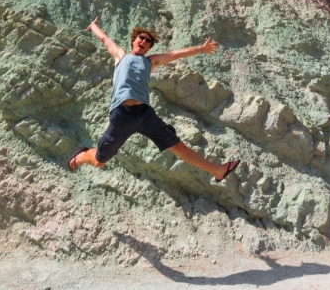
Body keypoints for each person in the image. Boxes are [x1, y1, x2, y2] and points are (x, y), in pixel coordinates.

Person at [69, 16, 241, 182]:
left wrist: (201, 49)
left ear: (149, 47)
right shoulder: (121, 55)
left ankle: (217, 170)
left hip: (144, 114)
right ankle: (82, 156)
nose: (144, 41)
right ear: (134, 41)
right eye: (141, 38)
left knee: (177, 146)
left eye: (148, 41)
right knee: (99, 161)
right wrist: (93, 26)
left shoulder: (150, 61)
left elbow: (175, 54)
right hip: (122, 115)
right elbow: (104, 38)